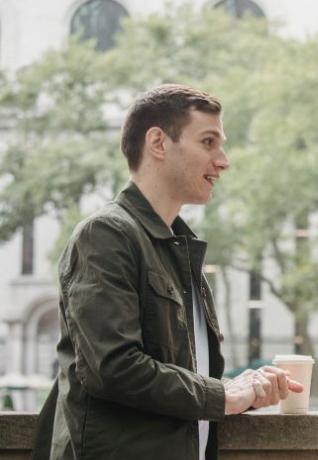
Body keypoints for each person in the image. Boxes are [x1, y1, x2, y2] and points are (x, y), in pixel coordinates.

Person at [33, 84, 303, 460]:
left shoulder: (178, 248)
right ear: (158, 142)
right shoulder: (106, 234)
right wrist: (224, 394)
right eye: (208, 142)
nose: (223, 160)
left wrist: (244, 390)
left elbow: (180, 382)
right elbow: (113, 368)